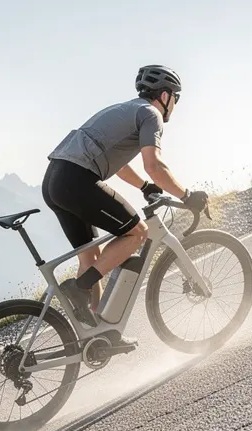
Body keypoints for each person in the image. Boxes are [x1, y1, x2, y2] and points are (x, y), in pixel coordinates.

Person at [41, 64, 209, 337]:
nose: (175, 105)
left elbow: (119, 165)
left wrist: (144, 186)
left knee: (92, 258)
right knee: (137, 233)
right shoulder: (151, 114)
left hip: (54, 181)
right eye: (176, 98)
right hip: (75, 180)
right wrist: (187, 196)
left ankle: (93, 332)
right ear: (165, 96)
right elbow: (154, 165)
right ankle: (79, 288)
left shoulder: (125, 109)